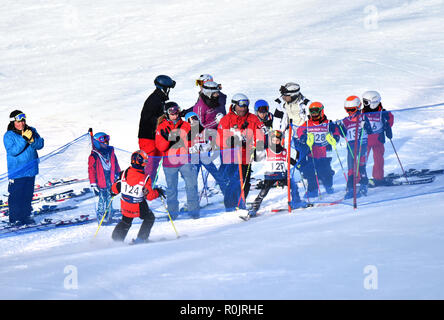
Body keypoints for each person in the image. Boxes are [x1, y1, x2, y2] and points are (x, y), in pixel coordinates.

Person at [217, 93, 265, 211]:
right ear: (234, 105)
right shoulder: (226, 120)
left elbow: (261, 135)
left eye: (246, 105)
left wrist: (256, 145)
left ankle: (240, 203)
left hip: (246, 156)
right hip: (231, 157)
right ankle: (230, 205)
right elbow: (219, 139)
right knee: (233, 182)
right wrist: (231, 141)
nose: (243, 108)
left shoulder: (252, 118)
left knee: (245, 182)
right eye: (241, 105)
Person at [245, 130, 308, 219]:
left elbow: (289, 159)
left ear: (280, 140)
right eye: (273, 140)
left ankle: (296, 201)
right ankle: (254, 208)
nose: (275, 142)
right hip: (270, 176)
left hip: (282, 175)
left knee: (293, 185)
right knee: (263, 192)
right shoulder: (266, 151)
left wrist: (298, 165)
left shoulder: (284, 151)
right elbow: (256, 159)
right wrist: (253, 153)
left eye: (277, 140)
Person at [155, 101, 200, 219]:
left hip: (185, 160)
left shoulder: (185, 125)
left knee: (191, 185)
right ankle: (173, 213)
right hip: (170, 163)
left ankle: (194, 211)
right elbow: (161, 147)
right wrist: (168, 139)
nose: (175, 114)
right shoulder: (162, 127)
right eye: (172, 111)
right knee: (171, 189)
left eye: (177, 110)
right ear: (166, 113)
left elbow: (191, 141)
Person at [111, 150, 164, 244]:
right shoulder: (145, 178)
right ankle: (141, 239)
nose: (146, 164)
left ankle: (116, 241)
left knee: (126, 220)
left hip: (125, 205)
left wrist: (116, 188)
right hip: (138, 206)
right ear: (141, 163)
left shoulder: (124, 173)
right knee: (149, 217)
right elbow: (150, 196)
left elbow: (115, 189)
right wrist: (158, 192)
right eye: (145, 162)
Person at [3, 110, 44, 226]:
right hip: (17, 172)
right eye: (18, 122)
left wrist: (32, 140)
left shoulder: (31, 130)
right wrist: (24, 139)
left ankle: (25, 216)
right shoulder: (9, 135)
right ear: (13, 123)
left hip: (31, 171)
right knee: (16, 196)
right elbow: (13, 151)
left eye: (22, 121)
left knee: (27, 195)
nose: (21, 124)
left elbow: (40, 144)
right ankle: (15, 218)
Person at [296, 102, 340, 198]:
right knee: (311, 172)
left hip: (325, 152)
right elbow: (299, 130)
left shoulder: (328, 123)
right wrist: (303, 136)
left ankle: (328, 186)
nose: (314, 114)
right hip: (312, 152)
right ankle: (313, 190)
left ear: (321, 111)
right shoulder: (308, 123)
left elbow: (336, 129)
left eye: (316, 112)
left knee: (326, 170)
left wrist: (336, 136)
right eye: (312, 112)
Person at [138, 75, 176, 183]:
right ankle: (145, 188)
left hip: (156, 137)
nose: (169, 91)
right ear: (164, 88)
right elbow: (147, 118)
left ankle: (151, 185)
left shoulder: (159, 99)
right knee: (149, 164)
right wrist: (163, 121)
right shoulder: (153, 100)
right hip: (147, 137)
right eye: (168, 88)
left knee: (155, 163)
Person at [337, 96, 373, 199]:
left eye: (352, 110)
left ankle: (364, 184)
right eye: (347, 110)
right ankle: (350, 188)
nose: (349, 113)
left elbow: (370, 131)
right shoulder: (345, 120)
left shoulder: (363, 117)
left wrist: (365, 126)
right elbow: (343, 134)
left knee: (361, 167)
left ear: (358, 107)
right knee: (351, 169)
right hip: (351, 146)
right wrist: (340, 128)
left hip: (362, 144)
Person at [185, 112, 227, 196]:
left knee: (217, 175)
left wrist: (209, 146)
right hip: (194, 160)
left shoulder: (204, 130)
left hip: (205, 158)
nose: (193, 122)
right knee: (192, 179)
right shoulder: (187, 133)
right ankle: (191, 199)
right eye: (190, 120)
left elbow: (213, 141)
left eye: (195, 118)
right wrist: (191, 149)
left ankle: (227, 193)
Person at [361, 91, 394, 186]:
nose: (364, 104)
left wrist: (388, 126)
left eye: (366, 102)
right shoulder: (362, 112)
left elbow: (390, 118)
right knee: (361, 159)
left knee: (379, 159)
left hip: (378, 139)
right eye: (364, 102)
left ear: (374, 102)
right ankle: (358, 178)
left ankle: (378, 177)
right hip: (365, 140)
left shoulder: (382, 112)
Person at [88, 132, 121, 224]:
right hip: (100, 180)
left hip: (110, 178)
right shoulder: (94, 155)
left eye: (107, 143)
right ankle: (101, 215)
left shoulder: (111, 152)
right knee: (103, 197)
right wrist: (93, 183)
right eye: (103, 143)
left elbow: (116, 163)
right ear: (97, 143)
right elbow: (91, 170)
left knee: (110, 195)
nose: (106, 145)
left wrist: (118, 174)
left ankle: (109, 212)